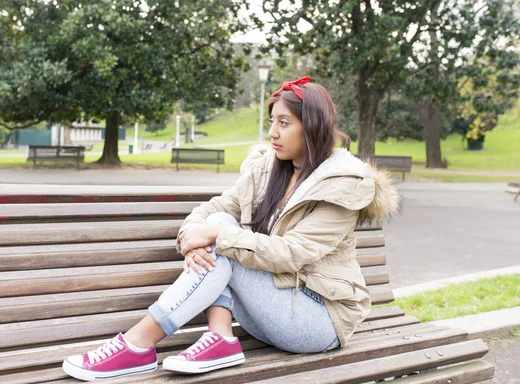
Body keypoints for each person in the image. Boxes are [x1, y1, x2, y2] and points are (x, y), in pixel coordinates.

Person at [62, 76, 400, 381]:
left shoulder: (342, 186)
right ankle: (220, 338)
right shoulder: (269, 168)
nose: (273, 133)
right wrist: (195, 239)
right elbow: (213, 210)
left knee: (223, 235)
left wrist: (215, 236)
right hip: (271, 309)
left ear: (312, 127)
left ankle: (139, 344)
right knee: (219, 225)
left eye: (284, 123)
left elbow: (292, 254)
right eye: (272, 122)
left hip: (318, 321)